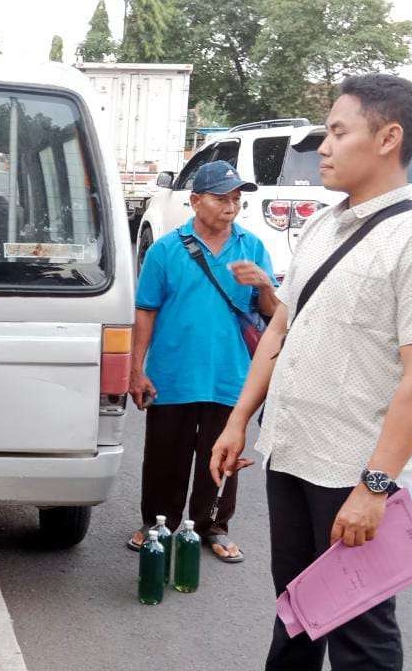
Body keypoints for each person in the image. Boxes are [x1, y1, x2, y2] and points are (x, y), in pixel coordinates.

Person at [210, 74, 412, 670]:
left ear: (388, 137)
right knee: (296, 611)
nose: (322, 147)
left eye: (337, 131)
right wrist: (239, 420)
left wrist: (375, 487)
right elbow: (281, 328)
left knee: (360, 636)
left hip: (351, 472)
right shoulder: (323, 226)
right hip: (291, 454)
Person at [126, 160, 278, 563]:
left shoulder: (252, 247)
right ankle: (157, 523)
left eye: (236, 199)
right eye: (221, 198)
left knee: (222, 456)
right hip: (173, 375)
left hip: (230, 376)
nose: (230, 206)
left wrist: (263, 283)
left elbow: (272, 313)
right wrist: (137, 369)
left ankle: (213, 526)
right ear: (195, 201)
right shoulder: (166, 250)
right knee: (164, 458)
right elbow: (146, 310)